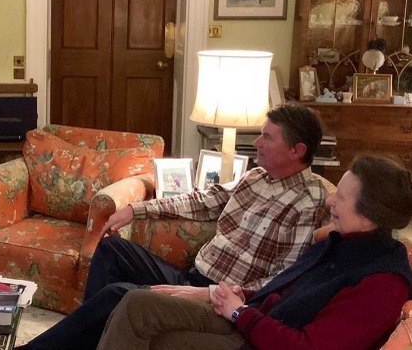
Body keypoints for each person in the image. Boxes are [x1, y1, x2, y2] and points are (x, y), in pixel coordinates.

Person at [17, 104, 330, 350]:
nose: (258, 143)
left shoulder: (308, 200)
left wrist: (207, 294)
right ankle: (91, 339)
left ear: (296, 150)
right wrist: (135, 210)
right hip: (195, 274)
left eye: (268, 137)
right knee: (112, 249)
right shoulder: (257, 176)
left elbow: (280, 282)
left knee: (118, 295)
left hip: (219, 298)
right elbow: (204, 200)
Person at [96, 154, 412, 350]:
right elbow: (287, 292)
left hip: (259, 337)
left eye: (341, 197)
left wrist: (240, 313)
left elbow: (309, 347)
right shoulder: (340, 242)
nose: (331, 201)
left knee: (156, 340)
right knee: (136, 303)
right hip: (253, 316)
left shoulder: (383, 283)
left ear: (370, 214)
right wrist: (237, 297)